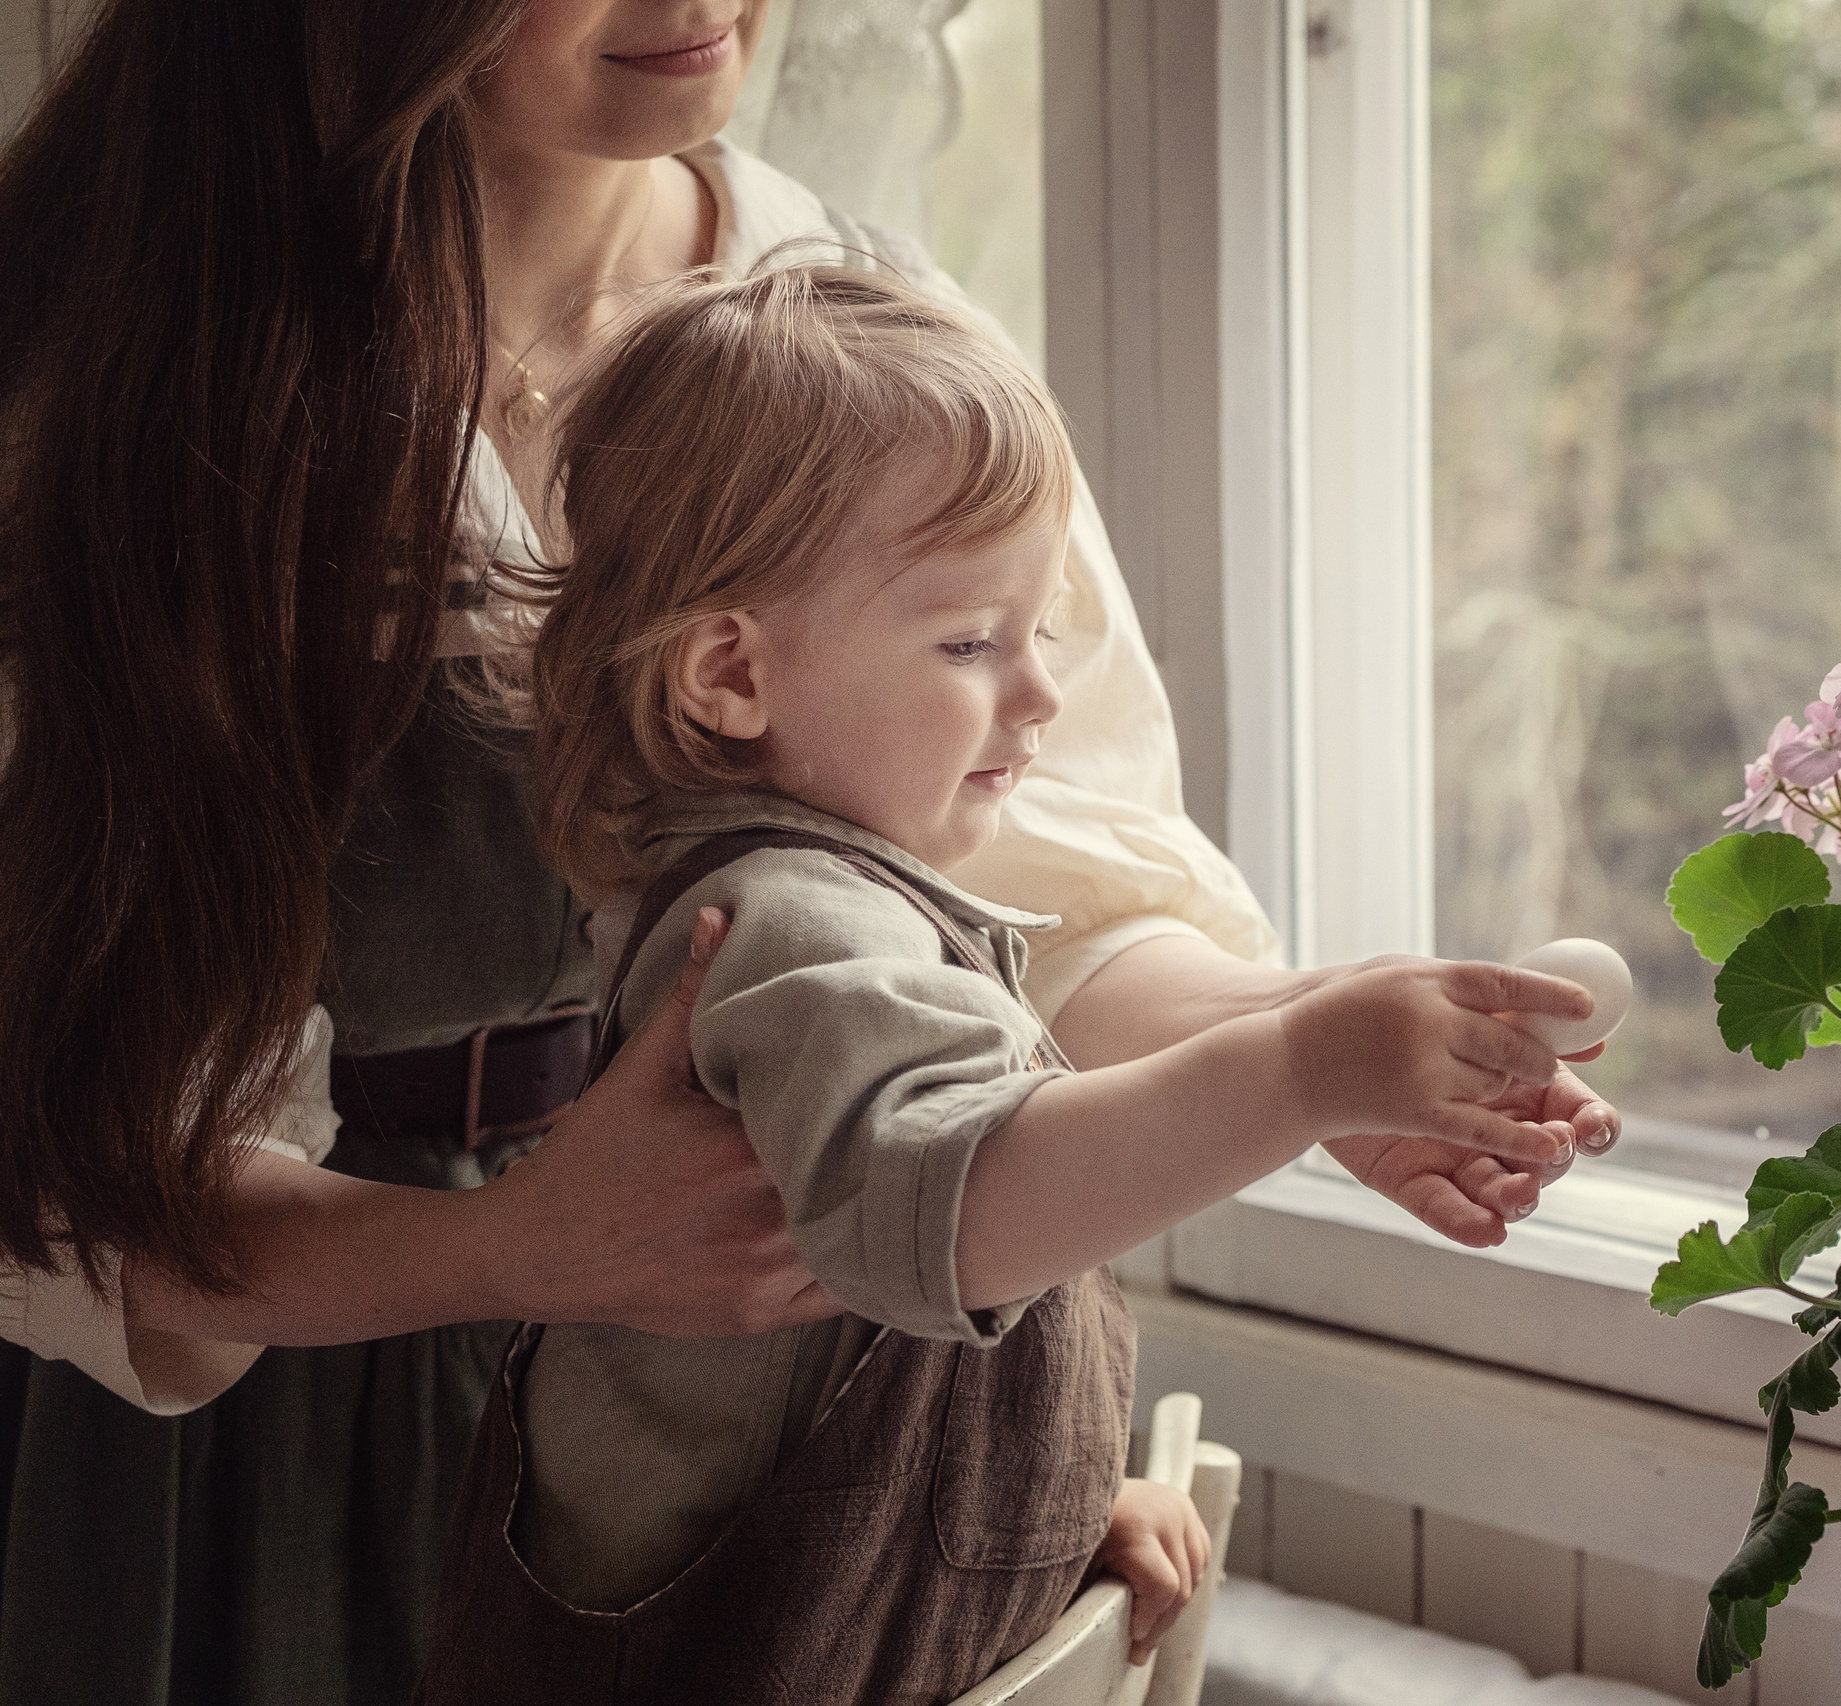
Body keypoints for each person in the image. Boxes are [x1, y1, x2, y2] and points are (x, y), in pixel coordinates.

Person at [0, 4, 1619, 1701]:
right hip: (311, 1436)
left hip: (743, 1407)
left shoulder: (839, 316)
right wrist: (522, 1246)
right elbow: (87, 1168)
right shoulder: (137, 395)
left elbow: (1022, 890)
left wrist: (1315, 1039)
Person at [412, 263, 1589, 1704]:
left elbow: (817, 1393)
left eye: (1041, 634)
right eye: (971, 642)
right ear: (731, 673)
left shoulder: (870, 903)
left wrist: (1039, 1519)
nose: (1036, 696)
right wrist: (1298, 1072)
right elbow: (962, 1210)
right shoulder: (791, 929)